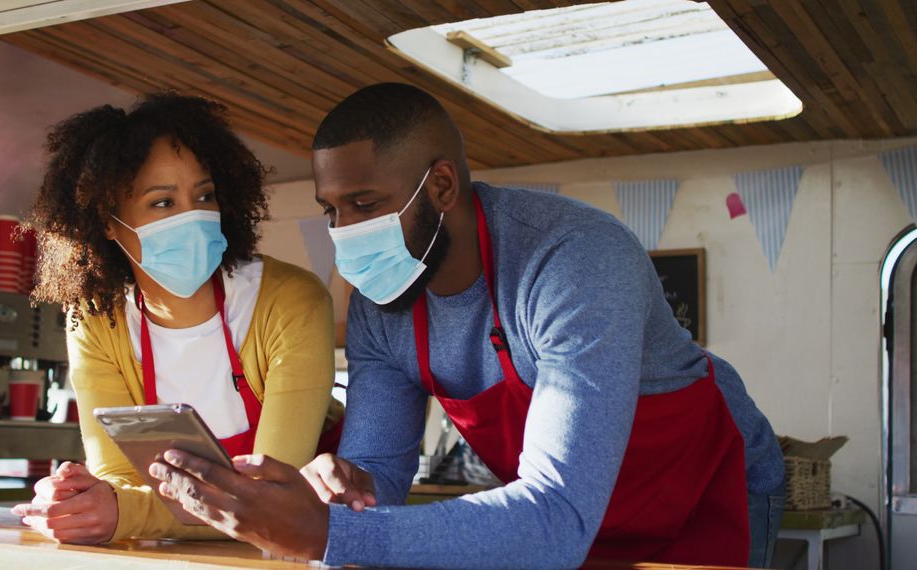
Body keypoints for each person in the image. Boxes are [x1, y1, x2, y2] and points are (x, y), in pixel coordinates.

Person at [147, 83, 786, 569]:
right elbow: (379, 473)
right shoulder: (380, 304)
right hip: (567, 516)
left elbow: (557, 515)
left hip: (707, 490)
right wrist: (339, 492)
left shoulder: (574, 261)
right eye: (331, 210)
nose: (343, 233)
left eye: (365, 204)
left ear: (442, 184)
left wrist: (326, 533)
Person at [11, 93, 343, 544]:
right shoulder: (95, 321)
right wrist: (82, 498)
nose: (194, 216)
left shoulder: (291, 302)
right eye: (162, 203)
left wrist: (123, 513)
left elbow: (271, 500)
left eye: (204, 195)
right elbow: (118, 476)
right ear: (108, 222)